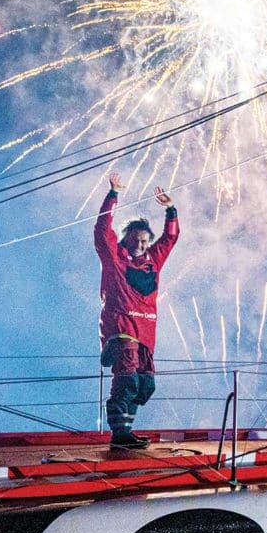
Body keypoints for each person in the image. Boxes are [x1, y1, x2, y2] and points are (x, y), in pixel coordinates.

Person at [94, 173, 179, 449]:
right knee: (127, 379)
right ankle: (119, 434)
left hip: (146, 334)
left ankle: (126, 431)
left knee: (145, 385)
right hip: (121, 329)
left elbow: (170, 238)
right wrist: (113, 194)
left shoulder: (153, 260)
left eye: (144, 241)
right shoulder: (116, 258)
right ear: (125, 239)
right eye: (135, 240)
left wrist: (171, 209)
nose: (140, 245)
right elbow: (102, 230)